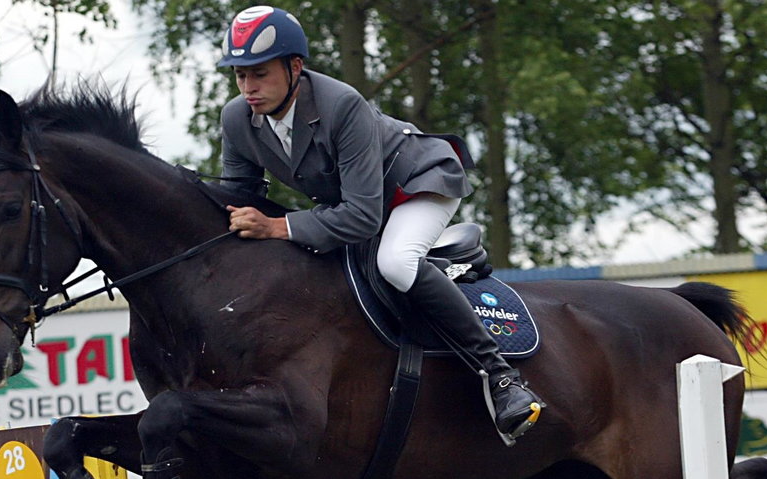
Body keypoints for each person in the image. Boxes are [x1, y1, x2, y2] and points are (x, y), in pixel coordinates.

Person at [218, 5, 543, 440]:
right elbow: (238, 198)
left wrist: (278, 227)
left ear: (295, 67)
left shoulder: (341, 105)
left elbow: (361, 217)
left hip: (417, 183)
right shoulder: (237, 119)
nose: (248, 88)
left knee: (394, 262)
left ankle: (501, 377)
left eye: (259, 74)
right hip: (361, 200)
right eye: (240, 76)